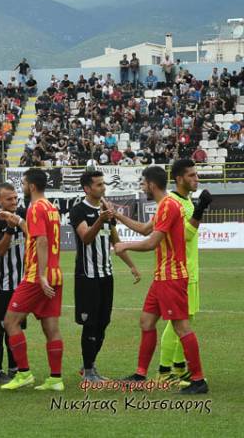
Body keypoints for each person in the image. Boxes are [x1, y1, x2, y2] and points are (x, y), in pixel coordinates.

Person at [111, 160, 212, 388]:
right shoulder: (165, 205)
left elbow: (152, 242)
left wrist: (124, 245)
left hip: (173, 276)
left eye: (143, 184)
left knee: (181, 327)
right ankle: (139, 375)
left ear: (151, 184)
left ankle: (197, 379)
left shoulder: (168, 205)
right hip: (162, 277)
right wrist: (116, 215)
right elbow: (145, 229)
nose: (142, 188)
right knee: (146, 322)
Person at [69, 171, 140, 383]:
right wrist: (101, 219)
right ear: (87, 189)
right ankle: (89, 371)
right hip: (87, 276)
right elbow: (86, 237)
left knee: (103, 322)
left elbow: (116, 242)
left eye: (103, 184)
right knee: (90, 324)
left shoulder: (106, 210)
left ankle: (88, 365)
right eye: (98, 185)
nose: (103, 188)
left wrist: (132, 266)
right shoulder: (78, 210)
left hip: (106, 275)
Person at [0, 168, 64, 391]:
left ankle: (24, 373)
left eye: (24, 184)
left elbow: (42, 241)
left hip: (38, 276)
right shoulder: (51, 207)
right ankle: (56, 379)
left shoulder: (35, 208)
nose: (22, 188)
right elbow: (36, 233)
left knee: (10, 322)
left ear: (32, 186)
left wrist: (42, 275)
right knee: (51, 327)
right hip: (56, 274)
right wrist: (16, 220)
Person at [0, 182, 27, 384]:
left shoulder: (23, 215)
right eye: (9, 199)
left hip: (21, 283)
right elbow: (0, 250)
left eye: (15, 198)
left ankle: (15, 367)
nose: (14, 202)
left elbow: (34, 237)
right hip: (2, 282)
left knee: (16, 326)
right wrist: (10, 229)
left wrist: (17, 221)